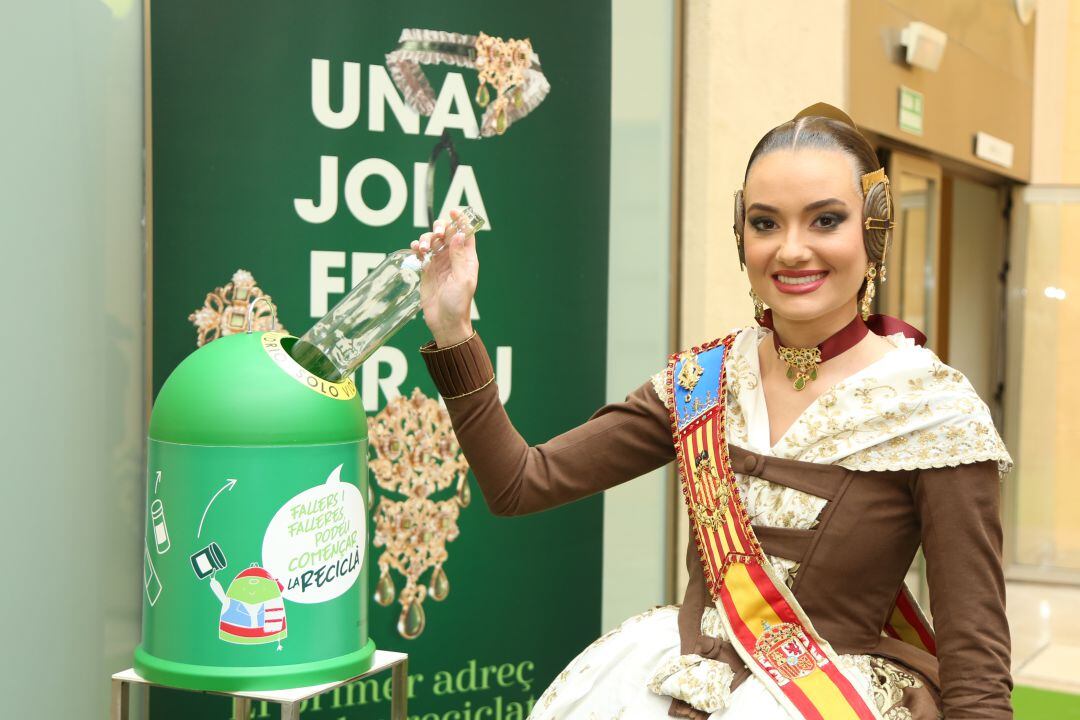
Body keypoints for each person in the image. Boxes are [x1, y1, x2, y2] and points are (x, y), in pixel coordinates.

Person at [409, 103, 1013, 719]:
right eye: (765, 223)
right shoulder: (704, 382)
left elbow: (977, 664)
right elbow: (519, 483)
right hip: (666, 687)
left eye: (825, 220)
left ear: (873, 231)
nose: (791, 250)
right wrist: (453, 327)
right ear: (741, 235)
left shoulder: (933, 411)